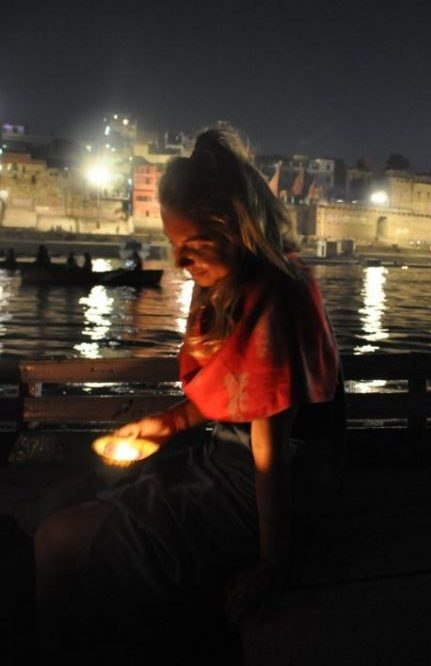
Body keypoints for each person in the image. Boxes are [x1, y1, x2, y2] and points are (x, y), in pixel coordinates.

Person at [34, 127, 342, 662]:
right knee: (70, 500)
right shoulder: (244, 282)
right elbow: (238, 397)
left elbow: (268, 445)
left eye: (194, 248)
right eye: (174, 246)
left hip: (263, 494)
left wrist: (271, 564)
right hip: (233, 466)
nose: (180, 263)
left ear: (241, 231)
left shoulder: (272, 296)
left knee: (56, 541)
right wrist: (169, 424)